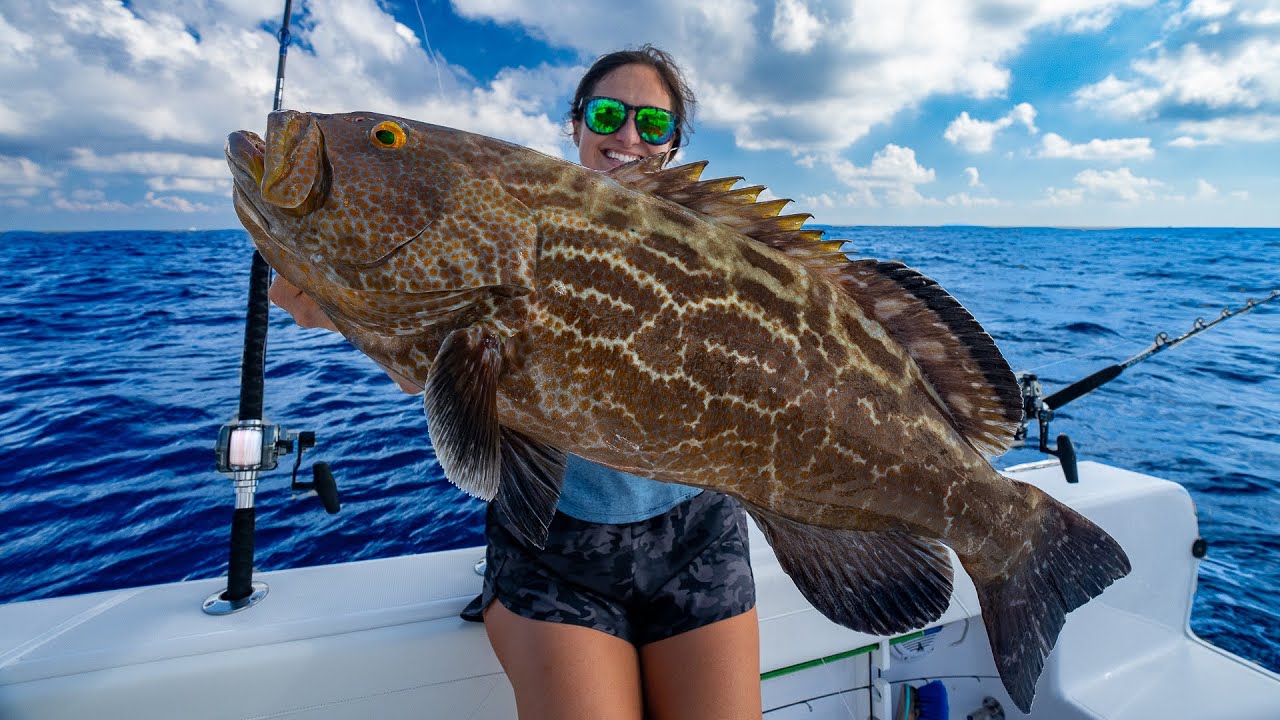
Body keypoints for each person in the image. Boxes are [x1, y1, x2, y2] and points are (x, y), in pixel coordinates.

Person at [269, 45, 761, 720]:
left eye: (653, 123)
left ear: (672, 144)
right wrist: (356, 312)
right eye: (608, 114)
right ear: (576, 123)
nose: (628, 135)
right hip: (553, 547)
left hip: (699, 534)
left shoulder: (714, 252)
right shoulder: (511, 216)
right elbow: (443, 370)